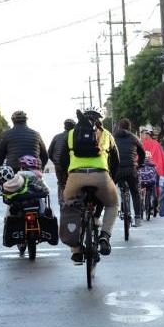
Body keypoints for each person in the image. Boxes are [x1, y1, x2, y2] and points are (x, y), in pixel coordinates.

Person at [57, 109, 121, 263]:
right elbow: (116, 161)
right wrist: (112, 179)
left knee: (70, 207)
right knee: (113, 204)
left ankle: (76, 250)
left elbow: (61, 160)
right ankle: (104, 236)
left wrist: (66, 180)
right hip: (101, 176)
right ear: (100, 120)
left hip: (75, 176)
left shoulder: (71, 134)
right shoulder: (106, 135)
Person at [113, 119, 147, 228]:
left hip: (117, 170)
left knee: (109, 190)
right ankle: (137, 218)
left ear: (118, 127)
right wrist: (140, 164)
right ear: (129, 127)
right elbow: (142, 152)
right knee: (135, 192)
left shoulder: (112, 137)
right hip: (131, 169)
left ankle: (110, 211)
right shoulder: (133, 137)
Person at [48, 118, 77, 203]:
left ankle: (61, 202)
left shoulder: (56, 137)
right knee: (72, 184)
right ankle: (72, 201)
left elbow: (49, 152)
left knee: (61, 184)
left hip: (58, 166)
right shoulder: (74, 137)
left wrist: (56, 162)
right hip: (71, 166)